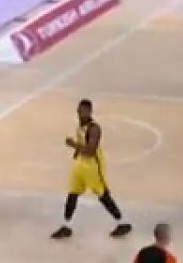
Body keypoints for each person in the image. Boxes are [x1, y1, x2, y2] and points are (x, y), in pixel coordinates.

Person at [51, 99, 132, 239]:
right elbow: (82, 144)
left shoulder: (94, 128)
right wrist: (76, 154)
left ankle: (122, 223)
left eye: (82, 111)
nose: (79, 113)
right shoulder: (80, 126)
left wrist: (73, 145)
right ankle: (66, 226)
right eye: (78, 110)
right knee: (72, 194)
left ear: (89, 112)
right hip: (80, 165)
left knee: (102, 195)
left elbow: (90, 150)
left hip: (93, 167)